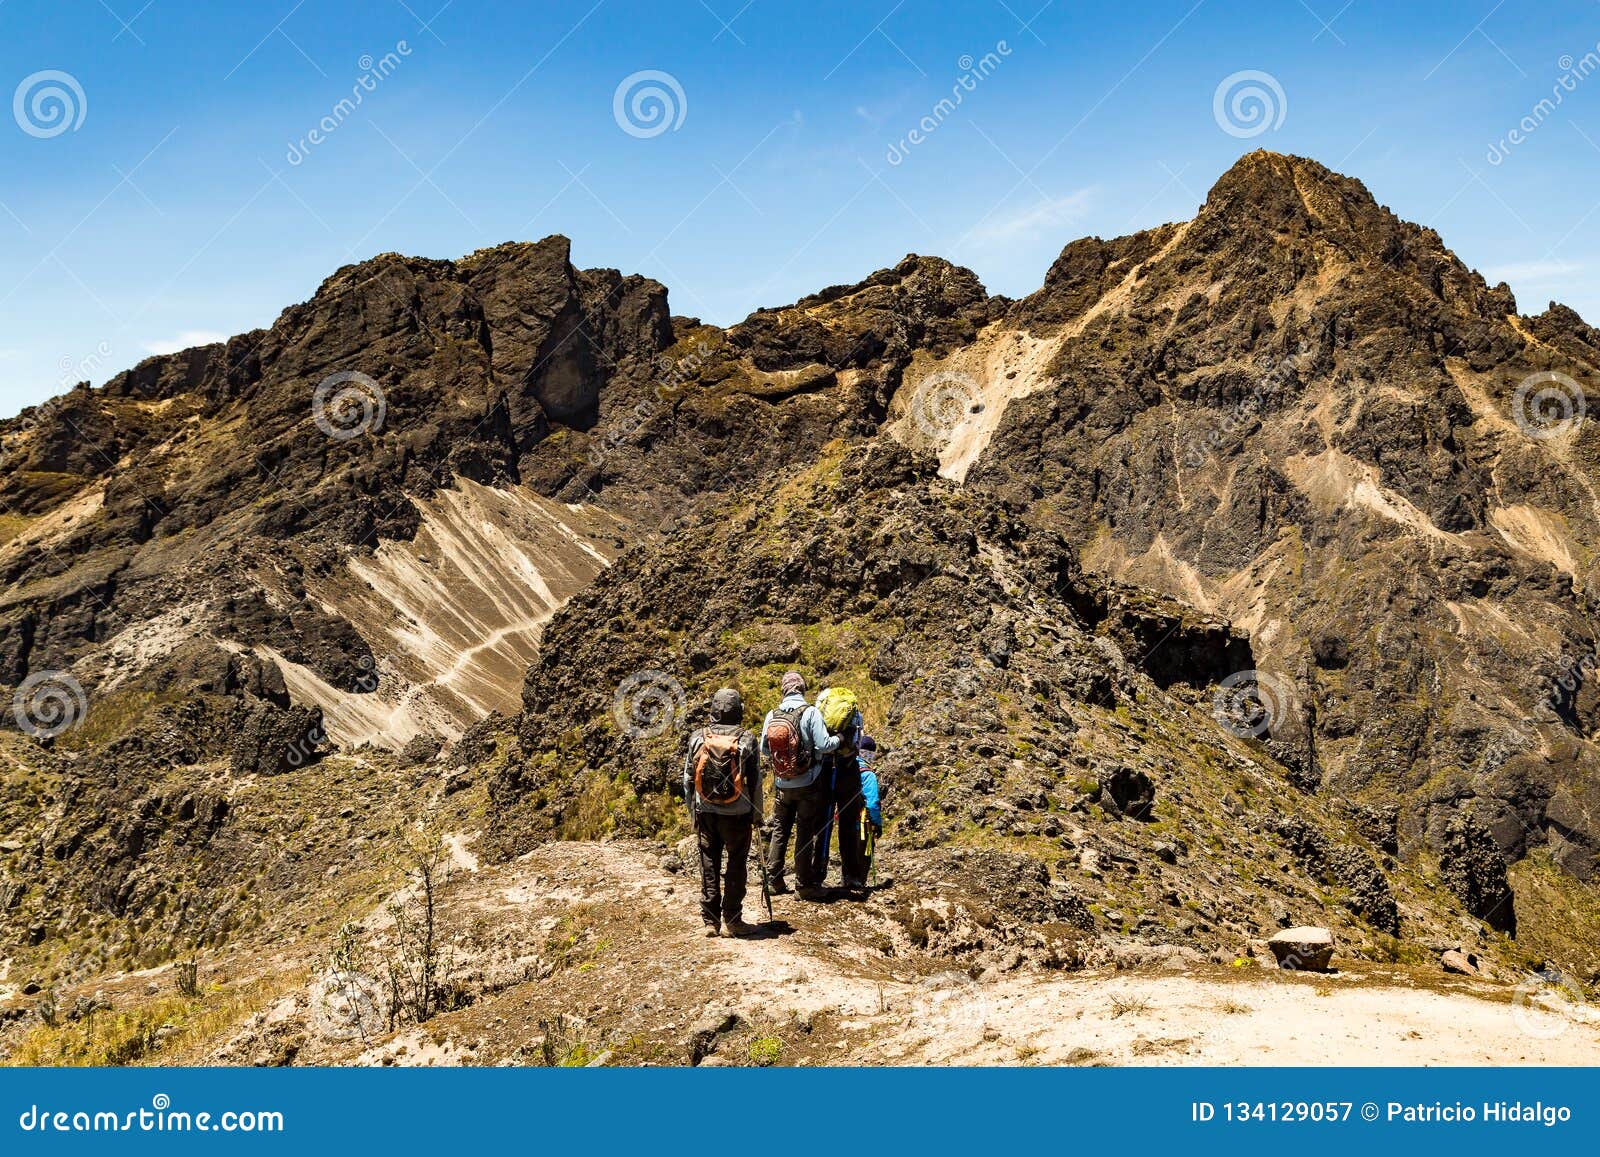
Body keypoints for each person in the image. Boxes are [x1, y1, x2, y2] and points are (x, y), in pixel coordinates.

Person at [682, 687, 763, 938]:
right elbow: (755, 780)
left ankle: (710, 921)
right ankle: (733, 920)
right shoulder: (747, 739)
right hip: (738, 813)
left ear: (714, 709)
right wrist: (757, 814)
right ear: (738, 709)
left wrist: (693, 812)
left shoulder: (698, 737)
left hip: (705, 811)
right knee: (736, 864)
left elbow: (687, 779)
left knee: (709, 863)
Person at [760, 671, 841, 900]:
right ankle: (803, 885)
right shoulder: (811, 712)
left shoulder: (771, 714)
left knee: (780, 830)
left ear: (784, 690)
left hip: (782, 784)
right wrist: (841, 740)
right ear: (803, 689)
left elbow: (764, 749)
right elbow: (825, 745)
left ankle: (773, 880)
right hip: (808, 783)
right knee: (804, 832)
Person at [844, 735, 883, 890]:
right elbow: (873, 803)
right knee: (865, 851)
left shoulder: (846, 769)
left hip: (846, 820)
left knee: (848, 849)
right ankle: (859, 882)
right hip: (863, 822)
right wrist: (877, 824)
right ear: (870, 754)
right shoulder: (868, 775)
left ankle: (847, 880)